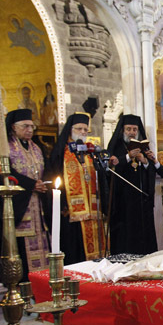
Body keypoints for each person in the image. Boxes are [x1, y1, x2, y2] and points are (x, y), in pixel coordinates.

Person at [0, 109, 50, 278]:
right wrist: (31, 185)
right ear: (14, 127)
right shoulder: (5, 147)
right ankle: (24, 288)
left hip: (38, 209)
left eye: (32, 126)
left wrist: (43, 186)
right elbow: (2, 173)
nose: (30, 130)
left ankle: (42, 286)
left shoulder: (36, 148)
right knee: (22, 251)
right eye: (25, 126)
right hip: (19, 209)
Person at [47, 112, 106, 264]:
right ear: (70, 129)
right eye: (79, 129)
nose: (83, 132)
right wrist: (62, 204)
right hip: (71, 213)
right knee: (75, 251)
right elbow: (54, 178)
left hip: (93, 212)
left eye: (85, 130)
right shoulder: (61, 153)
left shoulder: (89, 154)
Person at [106, 114, 157, 255]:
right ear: (122, 130)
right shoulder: (116, 147)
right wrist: (128, 157)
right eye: (128, 129)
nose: (132, 132)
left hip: (141, 200)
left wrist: (145, 162)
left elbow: (151, 172)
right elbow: (110, 170)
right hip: (123, 200)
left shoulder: (143, 149)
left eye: (135, 129)